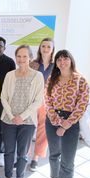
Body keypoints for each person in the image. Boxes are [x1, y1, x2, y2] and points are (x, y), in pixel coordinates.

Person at [42, 50, 89, 178]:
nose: (62, 62)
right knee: (54, 153)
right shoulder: (52, 78)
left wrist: (66, 125)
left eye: (65, 58)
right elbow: (47, 100)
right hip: (52, 119)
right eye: (59, 59)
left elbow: (82, 104)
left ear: (71, 60)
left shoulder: (80, 79)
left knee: (68, 160)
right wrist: (56, 121)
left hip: (71, 122)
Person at [0, 45, 44, 178]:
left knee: (22, 153)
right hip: (9, 119)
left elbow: (38, 101)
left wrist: (22, 117)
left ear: (30, 57)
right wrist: (12, 116)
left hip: (28, 121)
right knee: (9, 151)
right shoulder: (10, 75)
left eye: (25, 56)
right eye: (19, 56)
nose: (21, 59)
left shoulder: (38, 76)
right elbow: (3, 97)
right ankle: (7, 177)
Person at [28, 37, 55, 171]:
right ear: (40, 48)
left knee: (42, 131)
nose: (45, 49)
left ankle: (35, 158)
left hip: (47, 103)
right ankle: (23, 156)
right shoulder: (33, 64)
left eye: (48, 47)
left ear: (52, 49)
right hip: (32, 101)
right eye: (43, 46)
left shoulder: (56, 67)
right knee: (27, 129)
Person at [0, 37, 16, 167]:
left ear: (4, 48)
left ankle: (0, 153)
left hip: (1, 101)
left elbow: (13, 83)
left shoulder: (10, 62)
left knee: (0, 129)